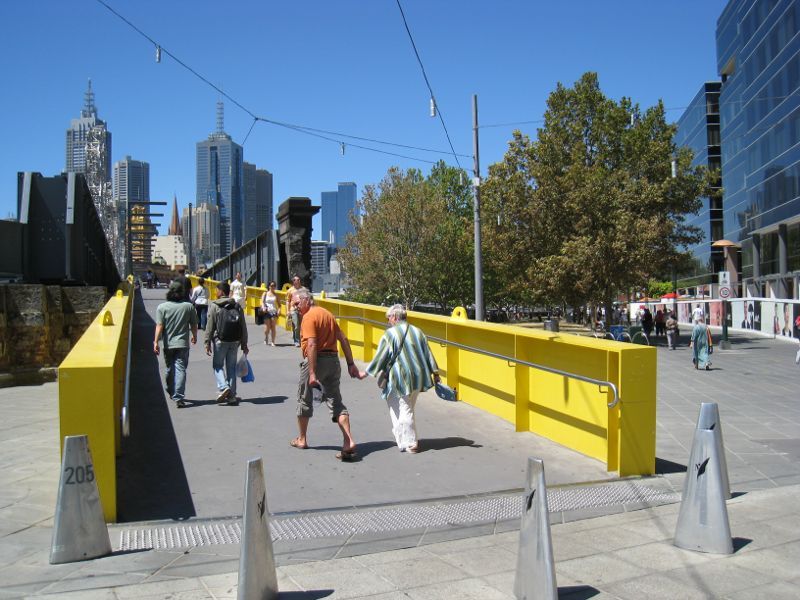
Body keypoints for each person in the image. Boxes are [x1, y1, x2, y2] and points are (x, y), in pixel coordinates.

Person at [289, 289, 361, 461]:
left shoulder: (308, 317)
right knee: (335, 401)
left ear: (307, 300)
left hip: (316, 361)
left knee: (304, 398)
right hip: (333, 361)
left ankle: (302, 439)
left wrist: (312, 372)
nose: (296, 307)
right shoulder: (327, 314)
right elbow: (343, 339)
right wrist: (351, 364)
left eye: (297, 303)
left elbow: (312, 344)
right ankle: (348, 440)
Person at [366, 304, 440, 454]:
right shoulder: (418, 331)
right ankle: (402, 440)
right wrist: (435, 372)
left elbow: (381, 356)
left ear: (394, 317)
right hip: (417, 377)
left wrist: (368, 372)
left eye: (388, 318)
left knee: (405, 408)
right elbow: (428, 353)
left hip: (400, 377)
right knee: (396, 403)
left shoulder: (390, 334)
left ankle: (412, 442)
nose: (388, 321)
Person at [153, 281, 198, 408]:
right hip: (183, 343)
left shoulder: (162, 307)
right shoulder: (188, 307)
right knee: (181, 368)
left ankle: (170, 389)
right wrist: (194, 336)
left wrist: (155, 341)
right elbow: (194, 324)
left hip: (168, 344)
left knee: (169, 368)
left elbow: (159, 326)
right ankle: (179, 396)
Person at [205, 281, 248, 406]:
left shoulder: (215, 306)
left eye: (217, 290)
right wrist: (244, 343)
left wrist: (207, 342)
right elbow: (243, 326)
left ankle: (223, 387)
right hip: (235, 341)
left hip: (220, 340)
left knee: (217, 365)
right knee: (231, 367)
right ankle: (232, 396)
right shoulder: (237, 306)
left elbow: (210, 326)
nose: (216, 292)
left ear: (221, 292)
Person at [286, 274, 308, 347]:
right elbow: (287, 301)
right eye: (296, 280)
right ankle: (297, 341)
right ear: (293, 282)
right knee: (296, 325)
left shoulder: (304, 289)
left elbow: (307, 299)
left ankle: (302, 339)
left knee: (302, 325)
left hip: (302, 309)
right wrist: (287, 311)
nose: (298, 281)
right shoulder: (290, 290)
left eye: (299, 280)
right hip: (293, 309)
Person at [260, 281, 279, 346]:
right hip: (267, 311)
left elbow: (279, 305)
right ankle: (266, 337)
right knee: (267, 327)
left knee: (273, 327)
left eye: (274, 286)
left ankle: (273, 341)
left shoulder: (276, 295)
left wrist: (279, 310)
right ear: (269, 286)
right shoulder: (265, 293)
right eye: (271, 285)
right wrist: (263, 307)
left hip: (274, 312)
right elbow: (262, 302)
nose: (273, 287)